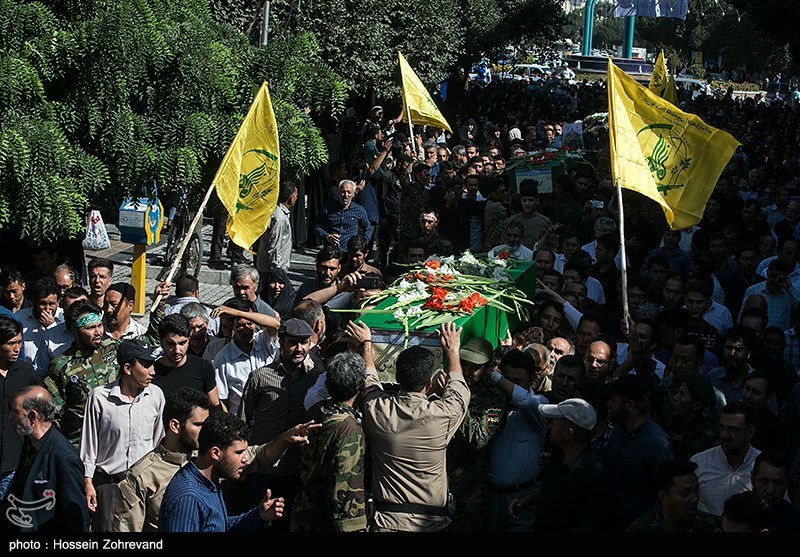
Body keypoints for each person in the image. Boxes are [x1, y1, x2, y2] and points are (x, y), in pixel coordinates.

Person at [113, 386, 319, 532]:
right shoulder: (154, 481)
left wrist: (258, 516)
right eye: (199, 425)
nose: (207, 430)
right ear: (175, 426)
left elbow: (215, 524)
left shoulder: (205, 466)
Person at [349, 320, 468, 532]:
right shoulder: (444, 415)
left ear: (396, 377)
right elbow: (459, 389)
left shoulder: (378, 410)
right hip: (431, 525)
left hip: (386, 523)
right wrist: (452, 351)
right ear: (429, 383)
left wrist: (366, 344)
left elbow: (369, 381)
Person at [237, 318, 323, 530]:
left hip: (298, 472)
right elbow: (242, 422)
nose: (299, 348)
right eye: (293, 343)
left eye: (304, 343)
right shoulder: (260, 377)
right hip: (263, 471)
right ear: (281, 343)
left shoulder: (317, 379)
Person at [80, 339, 165, 532]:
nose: (152, 371)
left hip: (145, 486)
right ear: (127, 368)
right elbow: (89, 445)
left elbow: (158, 441)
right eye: (146, 365)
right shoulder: (100, 397)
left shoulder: (156, 395)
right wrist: (88, 482)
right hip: (110, 485)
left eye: (152, 365)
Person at [158, 412, 286, 532]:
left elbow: (217, 526)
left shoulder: (210, 482)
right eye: (239, 452)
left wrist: (259, 515)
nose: (246, 459)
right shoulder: (187, 499)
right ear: (215, 453)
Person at [509, 397, 612, 532]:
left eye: (554, 422)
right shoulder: (557, 456)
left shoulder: (593, 474)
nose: (549, 426)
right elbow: (555, 492)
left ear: (568, 433)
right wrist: (528, 500)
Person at [291, 352, 367, 532]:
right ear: (362, 386)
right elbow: (346, 486)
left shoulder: (318, 409)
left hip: (305, 513)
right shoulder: (349, 429)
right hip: (325, 520)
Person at [2, 386, 88, 532]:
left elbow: (76, 518)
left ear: (32, 417)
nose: (10, 417)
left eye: (16, 412)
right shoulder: (29, 445)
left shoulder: (64, 457)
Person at [483, 349, 550, 531]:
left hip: (524, 499)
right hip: (490, 498)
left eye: (517, 382)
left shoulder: (540, 404)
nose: (508, 386)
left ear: (531, 380)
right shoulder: (489, 406)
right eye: (507, 379)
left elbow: (524, 402)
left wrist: (495, 376)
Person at [445, 337, 507, 532]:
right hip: (439, 481)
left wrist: (456, 401)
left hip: (469, 488)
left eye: (475, 367)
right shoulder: (447, 385)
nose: (467, 371)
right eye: (464, 364)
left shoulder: (494, 397)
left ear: (488, 367)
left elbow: (478, 440)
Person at [601, 374, 674, 530]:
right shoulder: (618, 431)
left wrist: (644, 525)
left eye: (613, 400)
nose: (608, 405)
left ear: (630, 405)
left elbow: (666, 491)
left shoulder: (656, 444)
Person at [44, 299, 119, 448]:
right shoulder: (61, 367)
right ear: (74, 331)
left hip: (115, 440)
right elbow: (53, 417)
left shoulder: (112, 348)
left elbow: (150, 342)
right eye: (90, 328)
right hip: (81, 445)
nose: (98, 332)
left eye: (99, 325)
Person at [691, 401, 761, 517]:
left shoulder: (762, 466)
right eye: (722, 428)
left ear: (750, 432)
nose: (724, 435)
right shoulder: (699, 463)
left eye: (733, 429)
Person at [211, 298, 279, 415]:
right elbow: (222, 400)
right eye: (240, 325)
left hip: (271, 415)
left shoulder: (264, 341)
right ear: (232, 327)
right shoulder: (223, 359)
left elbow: (275, 324)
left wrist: (238, 313)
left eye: (250, 323)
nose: (246, 329)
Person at [0, 315, 42, 500]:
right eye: (11, 343)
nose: (17, 348)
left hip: (14, 463)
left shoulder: (25, 373)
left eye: (19, 342)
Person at [625, 458, 721, 532]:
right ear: (663, 497)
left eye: (696, 490)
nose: (694, 499)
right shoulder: (640, 529)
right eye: (686, 493)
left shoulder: (712, 526)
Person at [152, 313, 222, 410]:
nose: (177, 350)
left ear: (189, 339)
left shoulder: (203, 367)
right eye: (170, 344)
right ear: (161, 342)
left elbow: (215, 405)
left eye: (182, 343)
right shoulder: (151, 372)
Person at [315, 179, 372, 255]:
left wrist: (363, 244)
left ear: (353, 194)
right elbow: (317, 227)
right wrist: (327, 236)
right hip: (331, 251)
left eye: (349, 192)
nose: (346, 195)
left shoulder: (359, 210)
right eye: (343, 192)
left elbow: (367, 228)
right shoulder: (327, 208)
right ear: (338, 193)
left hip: (349, 253)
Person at [256, 181, 297, 274]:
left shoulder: (277, 212)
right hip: (272, 269)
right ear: (291, 198)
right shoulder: (280, 218)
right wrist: (276, 270)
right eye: (296, 196)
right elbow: (275, 245)